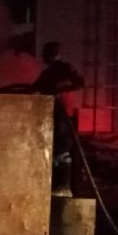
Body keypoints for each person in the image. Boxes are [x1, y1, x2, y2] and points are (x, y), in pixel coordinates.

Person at [33, 41, 85, 195]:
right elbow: (34, 88)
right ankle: (57, 186)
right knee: (54, 150)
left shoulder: (65, 69)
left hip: (63, 116)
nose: (43, 57)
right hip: (50, 117)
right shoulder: (47, 73)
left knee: (62, 151)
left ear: (51, 54)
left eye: (45, 54)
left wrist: (61, 90)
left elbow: (80, 83)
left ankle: (63, 187)